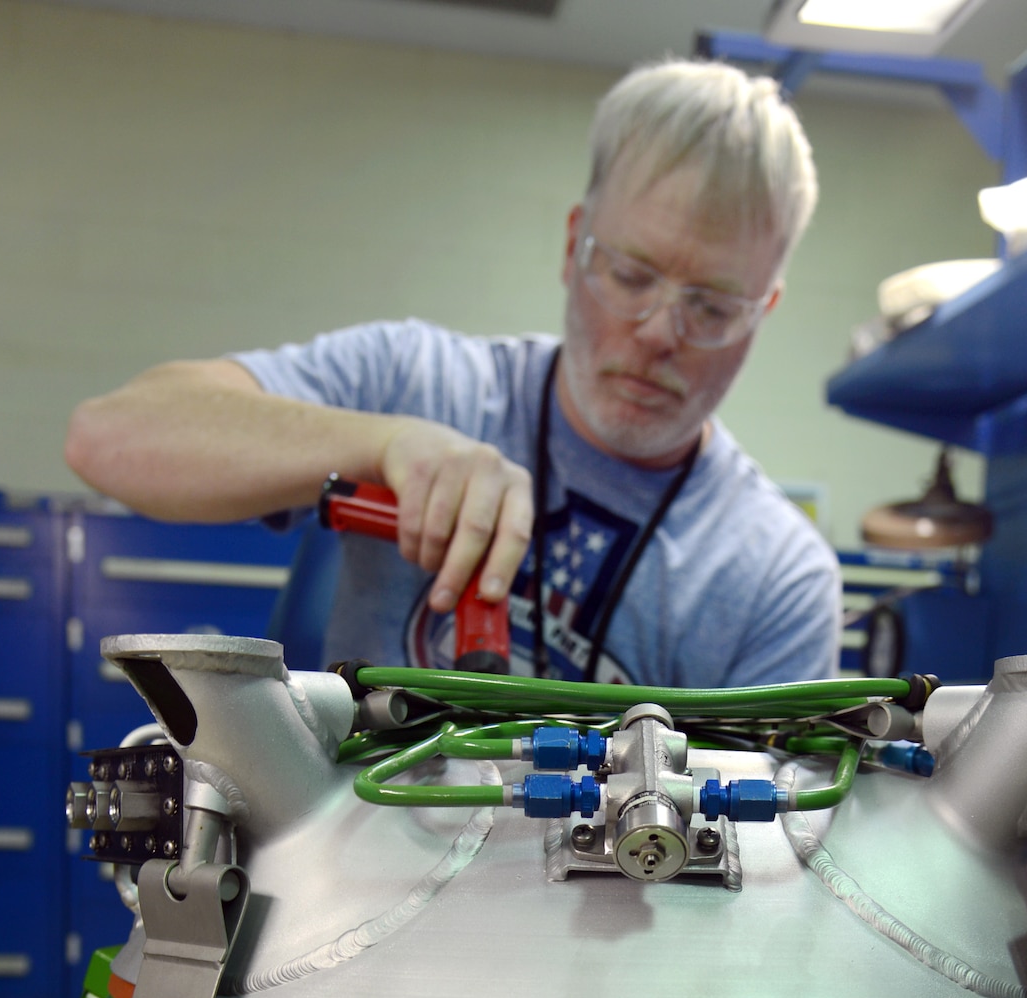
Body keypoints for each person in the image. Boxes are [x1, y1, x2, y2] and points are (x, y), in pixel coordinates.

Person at [65, 59, 839, 688]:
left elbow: (769, 860)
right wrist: (386, 443)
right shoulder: (420, 382)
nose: (657, 333)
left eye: (711, 307)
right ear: (574, 245)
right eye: (631, 275)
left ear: (763, 310)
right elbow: (110, 438)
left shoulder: (777, 576)